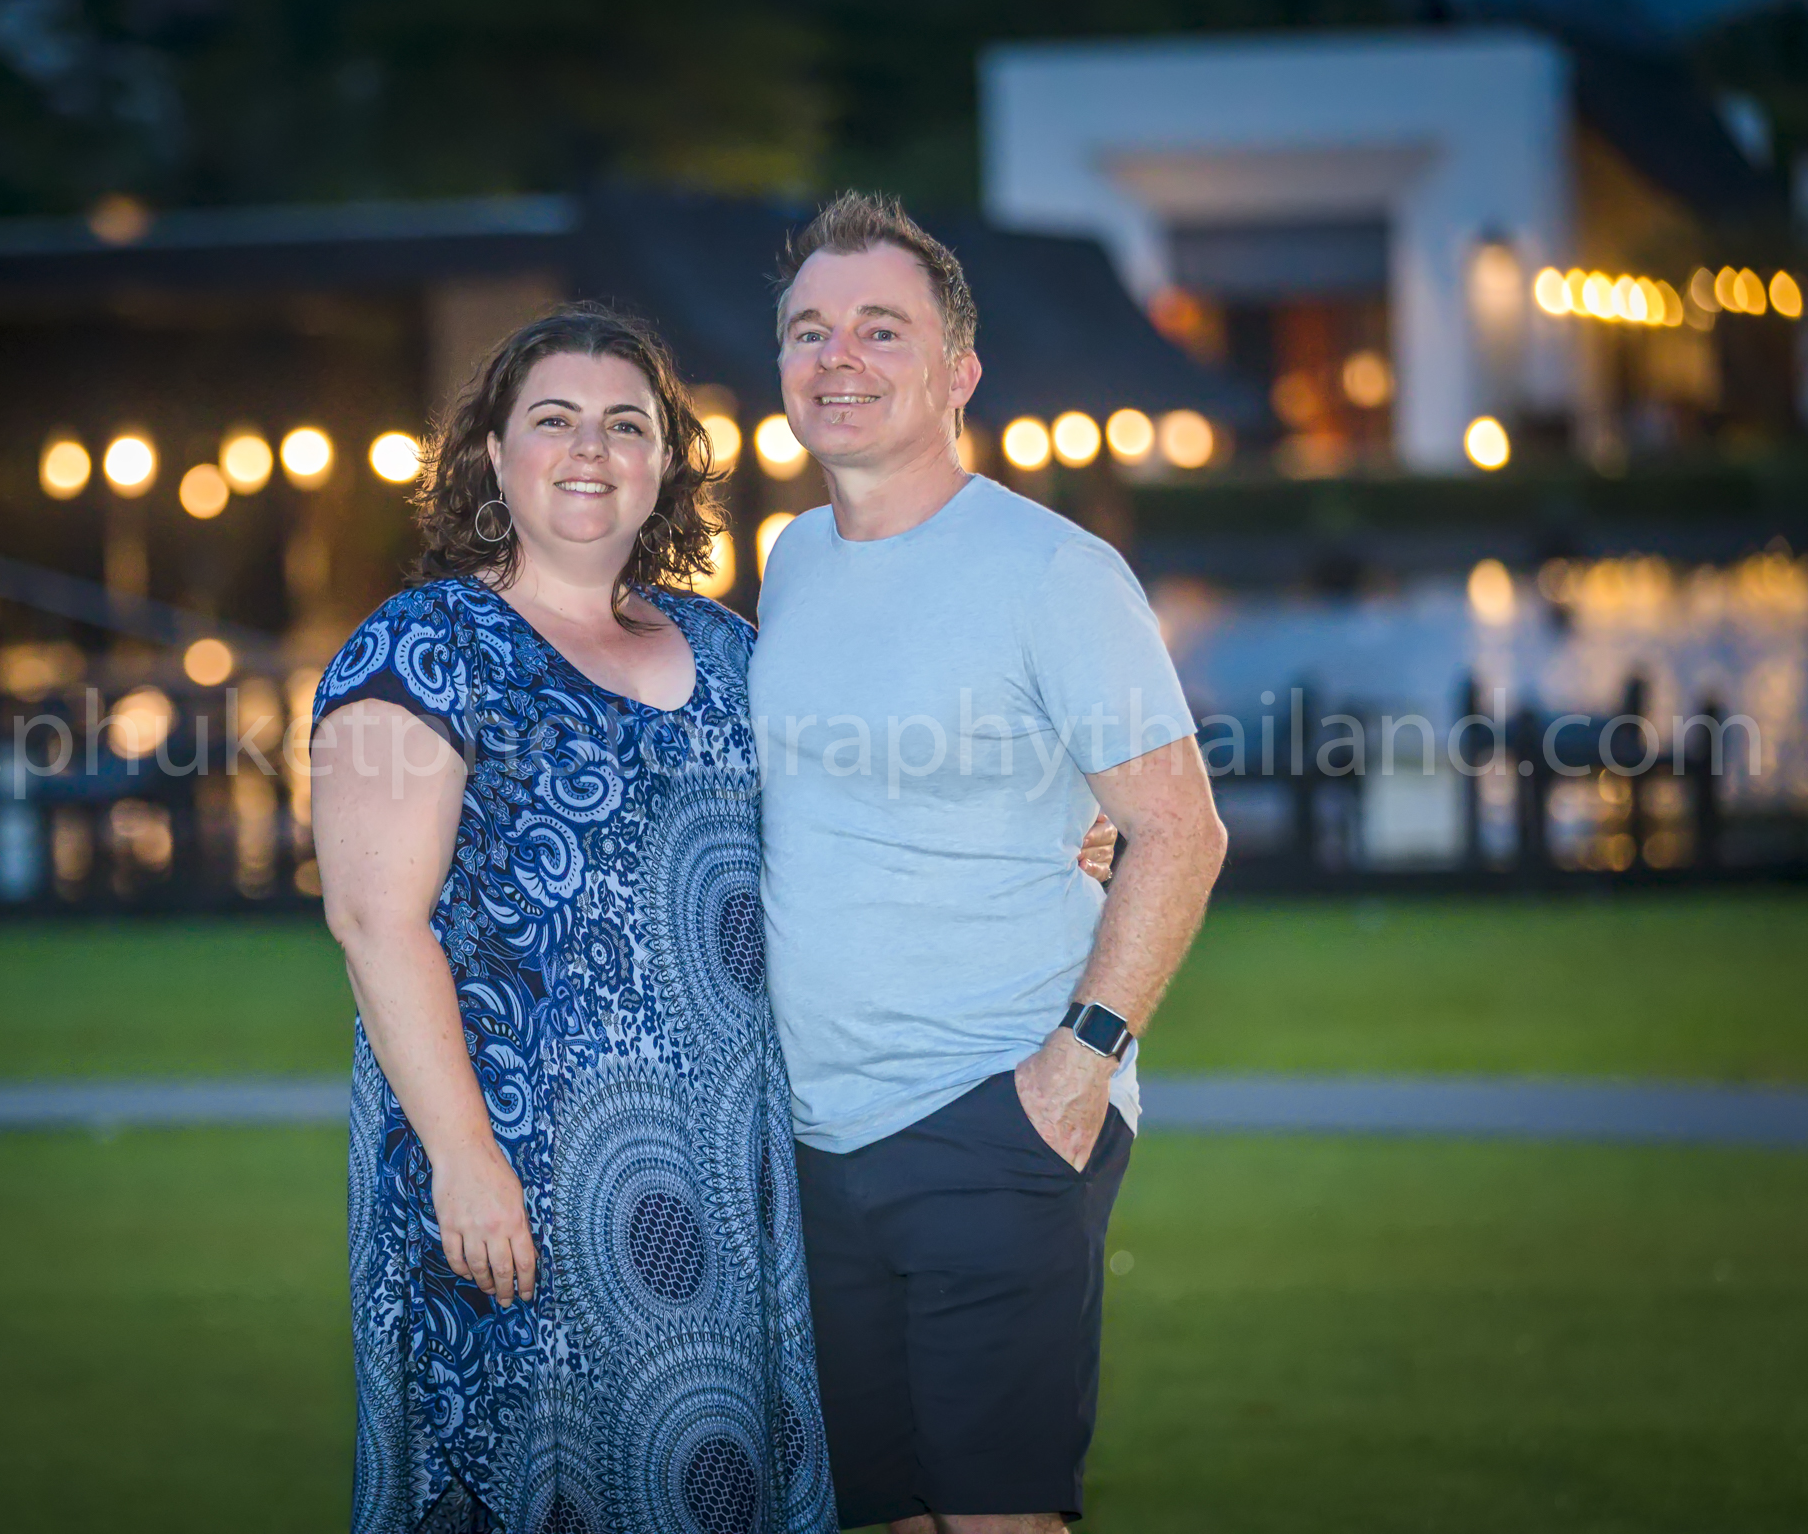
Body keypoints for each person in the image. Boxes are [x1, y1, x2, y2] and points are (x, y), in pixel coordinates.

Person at [308, 307, 837, 1534]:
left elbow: (846, 827)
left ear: (665, 461)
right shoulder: (425, 648)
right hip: (517, 1179)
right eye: (554, 420)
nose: (590, 448)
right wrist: (464, 1158)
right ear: (494, 454)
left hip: (721, 1177)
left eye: (625, 424)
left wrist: (1052, 829)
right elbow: (375, 920)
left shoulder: (730, 648)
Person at [751, 194, 1230, 1533]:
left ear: (959, 371)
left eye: (880, 328)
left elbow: (1181, 827)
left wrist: (1077, 1070)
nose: (838, 356)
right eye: (809, 330)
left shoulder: (1052, 570)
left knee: (998, 1518)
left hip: (991, 1112)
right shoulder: (789, 560)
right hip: (814, 1140)